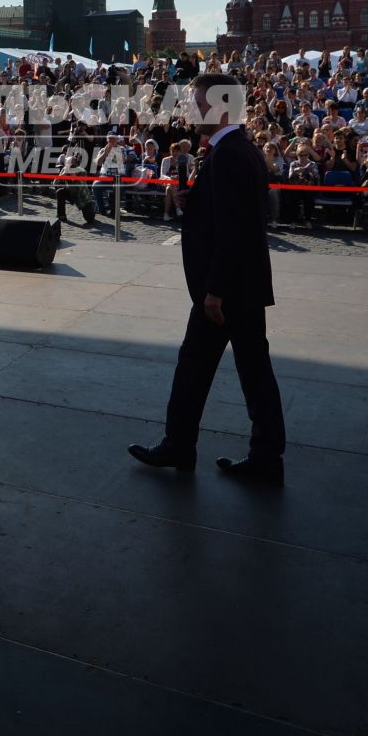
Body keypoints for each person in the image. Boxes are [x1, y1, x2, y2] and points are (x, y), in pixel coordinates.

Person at [129, 74, 286, 482]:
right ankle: (264, 457)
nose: (190, 110)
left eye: (198, 102)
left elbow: (236, 229)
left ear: (219, 107)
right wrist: (192, 200)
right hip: (242, 286)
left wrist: (215, 290)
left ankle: (180, 446)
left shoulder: (230, 154)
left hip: (225, 291)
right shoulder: (237, 149)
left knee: (196, 366)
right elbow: (231, 215)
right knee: (252, 373)